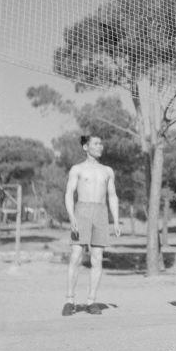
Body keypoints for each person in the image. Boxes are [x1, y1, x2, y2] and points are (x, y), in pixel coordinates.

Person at [62, 135, 121, 316]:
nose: (100, 146)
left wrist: (116, 220)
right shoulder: (77, 169)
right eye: (96, 143)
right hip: (82, 211)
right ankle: (70, 300)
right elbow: (69, 193)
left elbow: (112, 196)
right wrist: (72, 217)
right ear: (86, 147)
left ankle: (91, 301)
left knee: (97, 258)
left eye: (101, 143)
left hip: (101, 213)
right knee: (76, 255)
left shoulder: (107, 171)